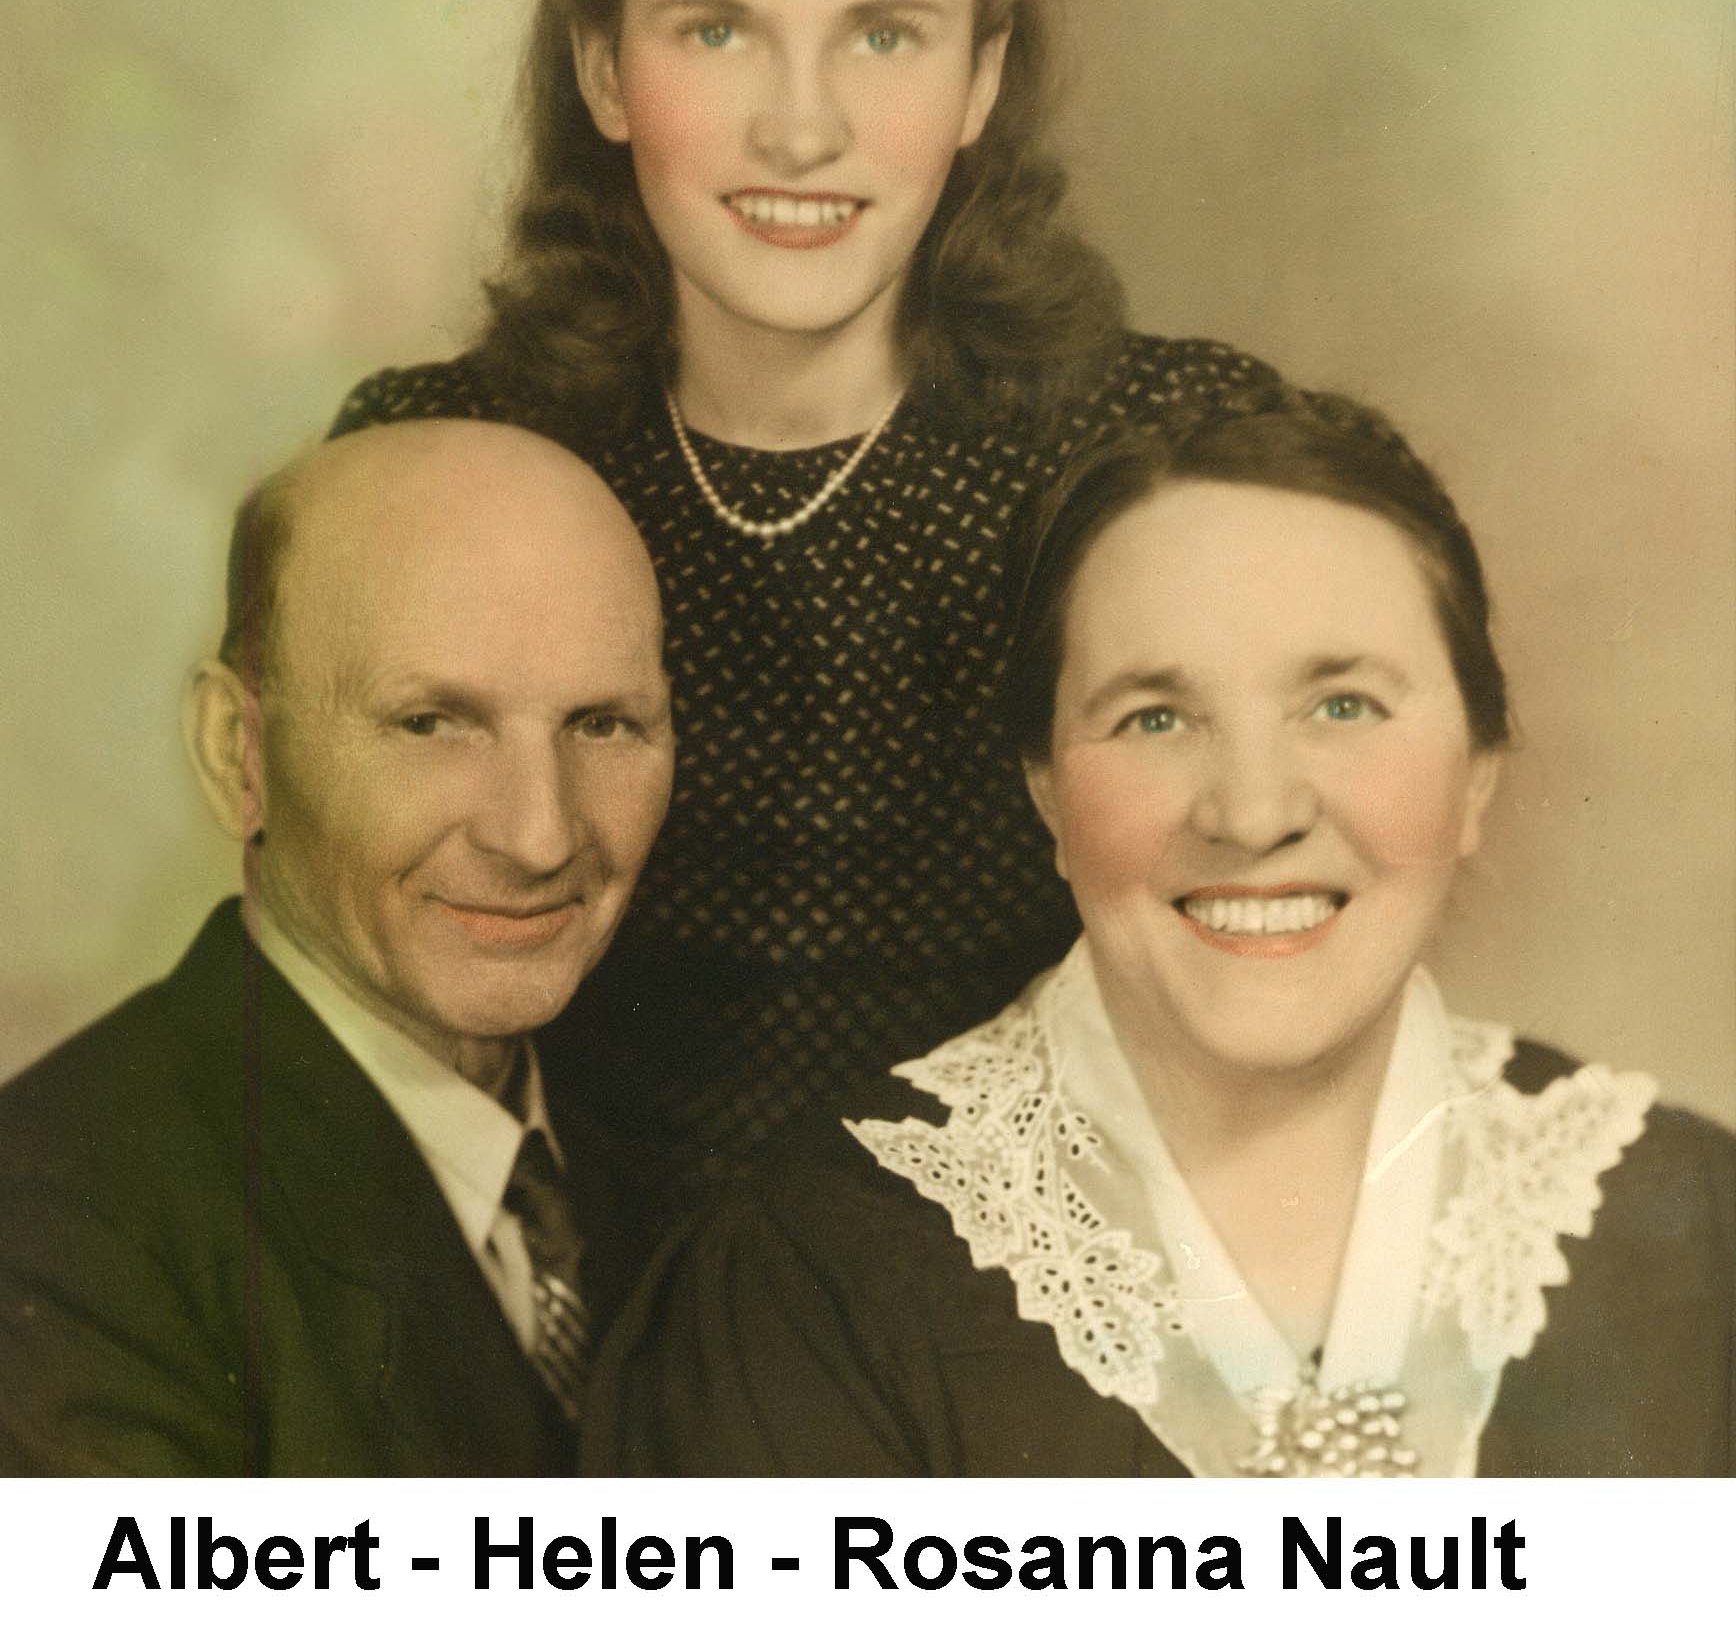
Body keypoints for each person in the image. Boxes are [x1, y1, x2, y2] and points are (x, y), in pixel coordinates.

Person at [332, 0, 1274, 1194]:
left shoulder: (1167, 459)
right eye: (717, 28)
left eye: (884, 34)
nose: (802, 125)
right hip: (580, 1350)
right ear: (602, 68)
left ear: (982, 76)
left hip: (1024, 1355)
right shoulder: (447, 465)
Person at [586, 387, 1735, 1477]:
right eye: (1156, 716)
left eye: (1343, 705)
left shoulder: (1689, 1227)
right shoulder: (810, 1277)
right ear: (1046, 791)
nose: (1252, 813)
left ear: (1477, 772)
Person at [0, 420, 674, 1475]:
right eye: (431, 723)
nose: (540, 835)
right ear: (240, 752)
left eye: (604, 724)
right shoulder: (27, 1239)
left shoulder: (651, 1166)